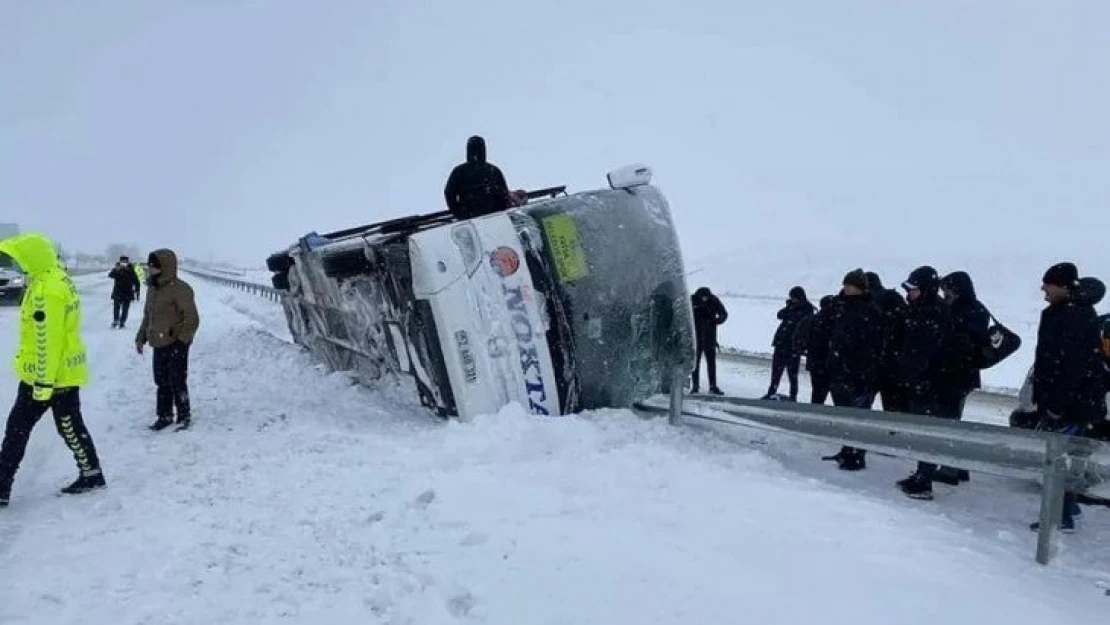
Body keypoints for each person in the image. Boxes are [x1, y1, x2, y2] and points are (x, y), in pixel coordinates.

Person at [0, 233, 106, 507]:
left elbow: (49, 341)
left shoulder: (46, 291)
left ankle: (1, 486)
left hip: (46, 377)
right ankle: (91, 472)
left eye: (21, 258)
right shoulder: (57, 279)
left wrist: (43, 384)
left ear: (33, 258)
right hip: (62, 375)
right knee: (69, 426)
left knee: (17, 431)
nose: (19, 262)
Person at [1027, 263, 1106, 532]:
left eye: (1047, 284)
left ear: (1062, 286)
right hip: (1071, 401)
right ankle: (1066, 506)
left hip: (1072, 404)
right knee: (1069, 454)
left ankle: (1059, 516)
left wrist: (1057, 406)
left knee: (1059, 457)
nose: (1043, 289)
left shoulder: (1075, 317)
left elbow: (1072, 367)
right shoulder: (1066, 312)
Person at [894, 266, 955, 500]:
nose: (909, 294)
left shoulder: (934, 313)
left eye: (913, 289)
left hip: (930, 383)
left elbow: (929, 351)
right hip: (920, 381)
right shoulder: (921, 311)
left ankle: (925, 479)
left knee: (928, 431)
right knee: (922, 430)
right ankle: (921, 474)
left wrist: (921, 375)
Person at [818, 270, 883, 470]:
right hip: (839, 370)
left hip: (860, 372)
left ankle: (857, 454)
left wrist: (862, 367)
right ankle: (847, 449)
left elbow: (872, 344)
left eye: (851, 286)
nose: (847, 289)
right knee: (844, 414)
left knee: (858, 416)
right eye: (846, 285)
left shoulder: (870, 311)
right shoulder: (840, 307)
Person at [932, 271, 991, 485]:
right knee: (952, 419)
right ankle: (956, 465)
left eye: (946, 288)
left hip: (955, 374)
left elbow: (961, 341)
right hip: (962, 374)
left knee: (948, 421)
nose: (943, 292)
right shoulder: (976, 309)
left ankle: (950, 468)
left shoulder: (962, 311)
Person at [135, 249, 200, 431]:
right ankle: (164, 416)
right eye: (149, 266)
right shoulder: (152, 289)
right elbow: (148, 316)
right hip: (158, 342)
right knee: (161, 381)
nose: (150, 269)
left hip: (176, 343)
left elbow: (192, 319)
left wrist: (180, 338)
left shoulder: (181, 290)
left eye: (153, 266)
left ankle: (184, 415)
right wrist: (141, 337)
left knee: (177, 380)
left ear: (165, 267)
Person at [763, 286, 815, 401]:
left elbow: (804, 324)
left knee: (792, 374)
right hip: (781, 342)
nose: (792, 300)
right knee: (776, 372)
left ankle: (793, 396)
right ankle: (771, 391)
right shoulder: (791, 307)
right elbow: (780, 315)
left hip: (793, 345)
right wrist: (789, 306)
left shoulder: (807, 309)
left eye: (794, 298)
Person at [444, 135, 512, 220]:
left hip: (492, 217)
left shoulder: (493, 171)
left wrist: (501, 210)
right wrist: (460, 214)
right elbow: (449, 194)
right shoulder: (493, 170)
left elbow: (504, 194)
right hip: (475, 217)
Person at [690, 286, 728, 395]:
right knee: (695, 363)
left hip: (710, 336)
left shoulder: (714, 300)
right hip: (695, 337)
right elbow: (685, 315)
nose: (704, 299)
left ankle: (713, 386)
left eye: (706, 297)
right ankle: (695, 386)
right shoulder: (692, 300)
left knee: (711, 363)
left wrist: (716, 321)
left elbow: (724, 314)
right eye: (703, 297)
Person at [108, 255, 141, 329]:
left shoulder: (130, 269)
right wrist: (116, 270)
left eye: (125, 262)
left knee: (125, 309)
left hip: (127, 292)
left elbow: (136, 281)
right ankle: (115, 320)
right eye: (122, 262)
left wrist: (137, 291)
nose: (123, 263)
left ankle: (122, 322)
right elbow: (110, 275)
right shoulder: (117, 268)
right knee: (116, 307)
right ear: (120, 262)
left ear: (127, 262)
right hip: (117, 292)